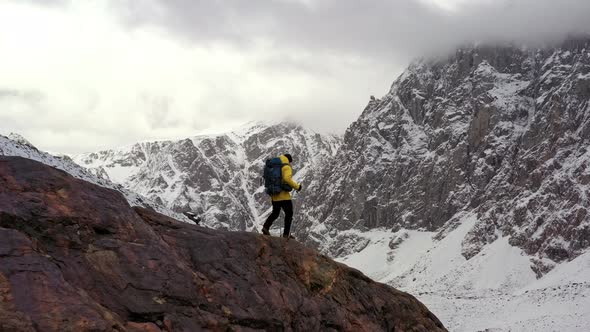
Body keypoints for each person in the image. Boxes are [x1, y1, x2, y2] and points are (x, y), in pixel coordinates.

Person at [261, 153, 302, 238]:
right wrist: (297, 187)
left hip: (274, 195)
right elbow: (287, 179)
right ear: (289, 160)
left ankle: (266, 227)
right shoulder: (286, 167)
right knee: (289, 214)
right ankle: (286, 234)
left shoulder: (274, 166)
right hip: (283, 196)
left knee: (275, 213)